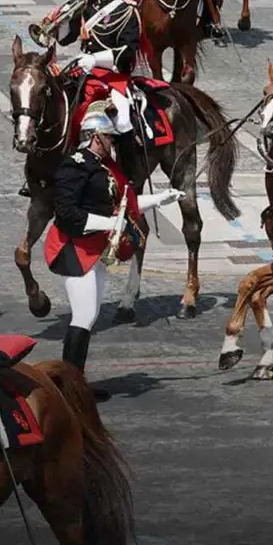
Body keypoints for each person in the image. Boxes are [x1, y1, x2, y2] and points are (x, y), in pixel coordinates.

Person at [47, 108, 183, 400]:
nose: (112, 142)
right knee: (83, 316)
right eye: (108, 136)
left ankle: (75, 382)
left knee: (90, 315)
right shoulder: (75, 166)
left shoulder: (107, 166)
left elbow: (125, 203)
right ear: (95, 136)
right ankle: (69, 387)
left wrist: (160, 198)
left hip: (97, 250)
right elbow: (67, 215)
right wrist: (108, 223)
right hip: (76, 249)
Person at [40, 0, 148, 174]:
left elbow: (128, 52)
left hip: (112, 76)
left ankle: (128, 174)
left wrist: (96, 59)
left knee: (122, 121)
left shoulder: (126, 10)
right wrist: (57, 24)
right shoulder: (86, 4)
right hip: (82, 70)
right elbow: (68, 39)